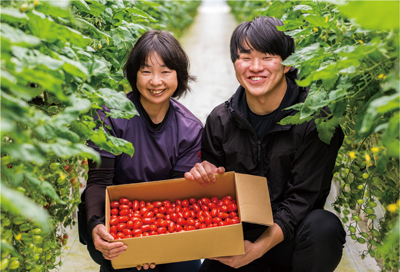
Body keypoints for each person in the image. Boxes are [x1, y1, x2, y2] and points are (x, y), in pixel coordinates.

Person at [185, 16, 346, 272]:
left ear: (287, 64)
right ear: (235, 64)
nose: (255, 67)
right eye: (245, 57)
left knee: (323, 227)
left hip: (288, 240)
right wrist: (203, 174)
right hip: (240, 239)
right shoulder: (220, 120)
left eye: (268, 56)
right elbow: (214, 198)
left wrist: (258, 249)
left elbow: (304, 200)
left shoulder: (315, 121)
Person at [78, 30, 203, 272]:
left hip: (169, 225)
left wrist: (153, 240)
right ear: (134, 74)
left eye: (166, 72)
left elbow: (177, 192)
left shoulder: (190, 129)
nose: (156, 81)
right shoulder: (110, 117)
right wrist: (96, 224)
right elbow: (99, 179)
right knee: (119, 260)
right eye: (146, 71)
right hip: (119, 225)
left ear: (180, 76)